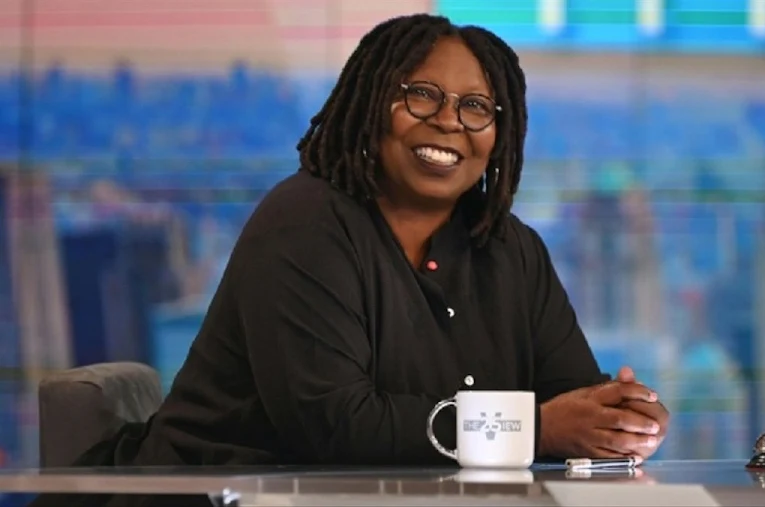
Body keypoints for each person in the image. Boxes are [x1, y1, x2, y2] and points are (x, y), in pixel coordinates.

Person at [30, 13, 669, 506]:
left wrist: (619, 420)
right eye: (422, 95)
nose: (449, 121)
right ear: (372, 108)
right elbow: (334, 428)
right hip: (214, 496)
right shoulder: (305, 223)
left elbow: (571, 402)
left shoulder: (511, 250)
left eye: (476, 107)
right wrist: (536, 428)